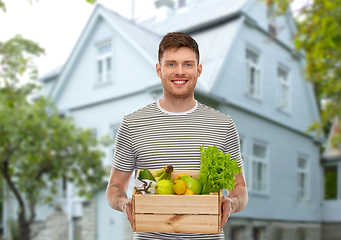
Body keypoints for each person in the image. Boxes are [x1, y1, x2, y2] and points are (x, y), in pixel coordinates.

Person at [106, 32, 248, 239]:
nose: (180, 72)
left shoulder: (222, 124)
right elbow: (114, 186)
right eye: (171, 64)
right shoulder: (132, 124)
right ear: (159, 70)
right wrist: (124, 202)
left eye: (188, 65)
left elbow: (240, 187)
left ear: (198, 70)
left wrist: (233, 203)